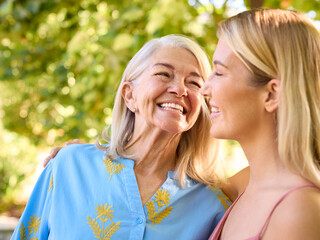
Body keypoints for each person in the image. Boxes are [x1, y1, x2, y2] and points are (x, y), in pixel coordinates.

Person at [11, 34, 232, 240]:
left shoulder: (212, 206)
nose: (179, 89)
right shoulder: (68, 166)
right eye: (163, 74)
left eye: (194, 83)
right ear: (129, 95)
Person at [200, 9, 320, 240]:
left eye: (219, 73)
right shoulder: (245, 185)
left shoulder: (298, 210)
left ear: (271, 94)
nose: (204, 89)